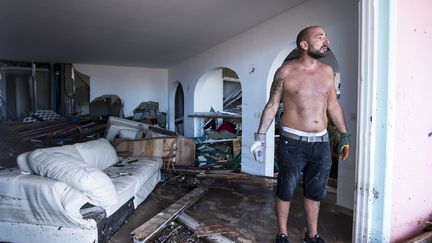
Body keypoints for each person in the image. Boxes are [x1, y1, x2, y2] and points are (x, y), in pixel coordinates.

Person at [250, 26, 350, 243]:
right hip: (292, 143)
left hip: (321, 143)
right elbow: (272, 105)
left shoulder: (327, 71)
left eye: (326, 36)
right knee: (285, 190)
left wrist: (344, 135)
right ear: (304, 45)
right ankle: (282, 234)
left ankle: (312, 236)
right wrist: (259, 137)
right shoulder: (285, 72)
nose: (327, 41)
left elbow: (333, 105)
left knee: (315, 192)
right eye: (320, 37)